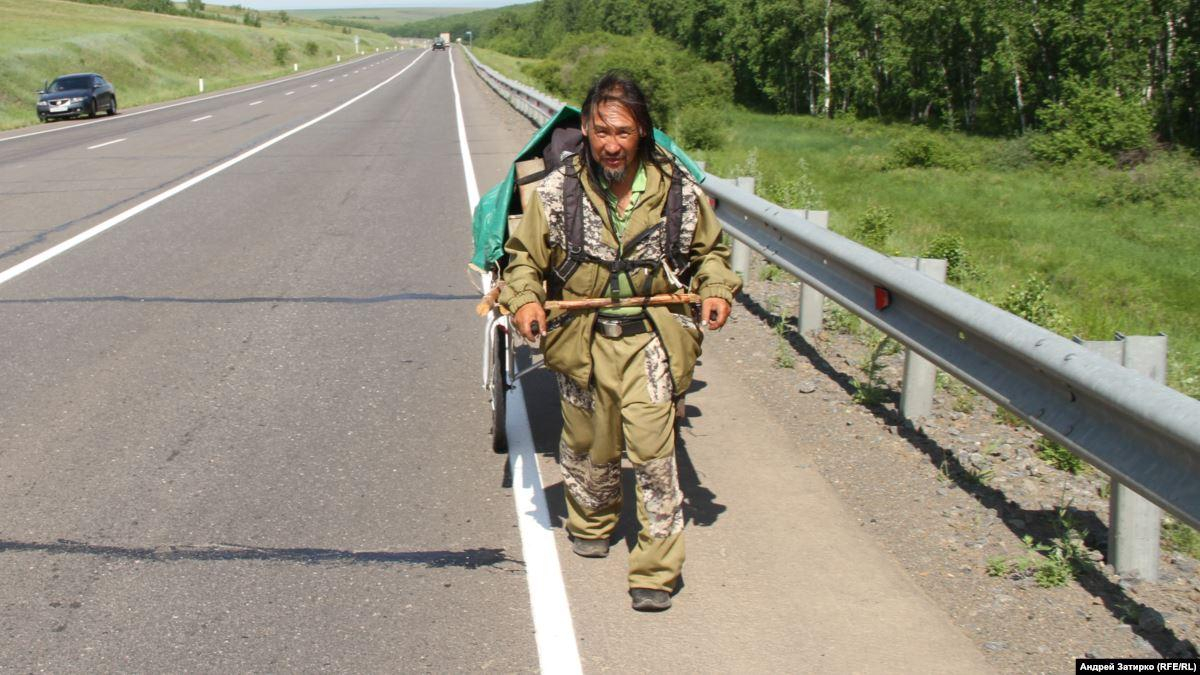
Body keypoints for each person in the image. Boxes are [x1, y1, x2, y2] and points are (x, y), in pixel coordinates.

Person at [499, 72, 740, 612]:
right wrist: (527, 300)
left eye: (624, 132)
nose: (612, 144)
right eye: (602, 131)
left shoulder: (676, 190)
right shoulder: (556, 193)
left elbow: (711, 255)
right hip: (580, 337)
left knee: (654, 454)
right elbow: (524, 261)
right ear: (585, 128)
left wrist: (716, 289)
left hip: (652, 337)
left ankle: (655, 571)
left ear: (642, 133)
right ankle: (592, 519)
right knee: (590, 444)